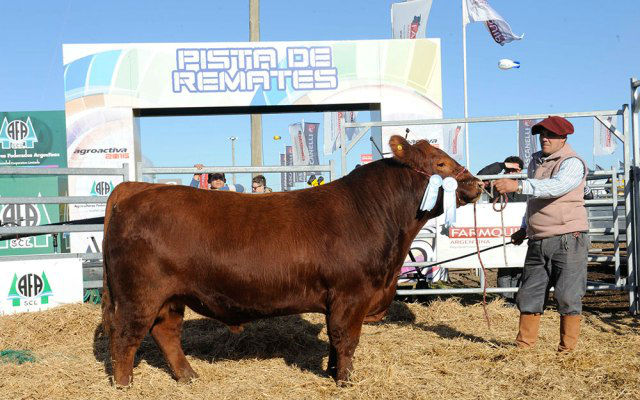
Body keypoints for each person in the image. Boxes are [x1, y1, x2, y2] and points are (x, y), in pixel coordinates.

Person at [493, 116, 589, 352]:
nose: (544, 138)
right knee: (529, 293)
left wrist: (518, 186)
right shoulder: (536, 161)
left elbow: (557, 187)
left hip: (569, 237)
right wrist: (525, 228)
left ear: (563, 138)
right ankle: (524, 347)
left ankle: (567, 351)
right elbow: (533, 201)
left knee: (568, 295)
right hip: (538, 238)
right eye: (541, 134)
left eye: (550, 135)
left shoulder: (572, 162)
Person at [477, 156, 528, 305]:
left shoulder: (527, 186)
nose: (512, 174)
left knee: (520, 268)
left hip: (522, 233)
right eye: (509, 170)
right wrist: (501, 164)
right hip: (502, 234)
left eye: (515, 170)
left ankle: (518, 301)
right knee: (505, 268)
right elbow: (479, 177)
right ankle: (506, 302)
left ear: (520, 171)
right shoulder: (496, 186)